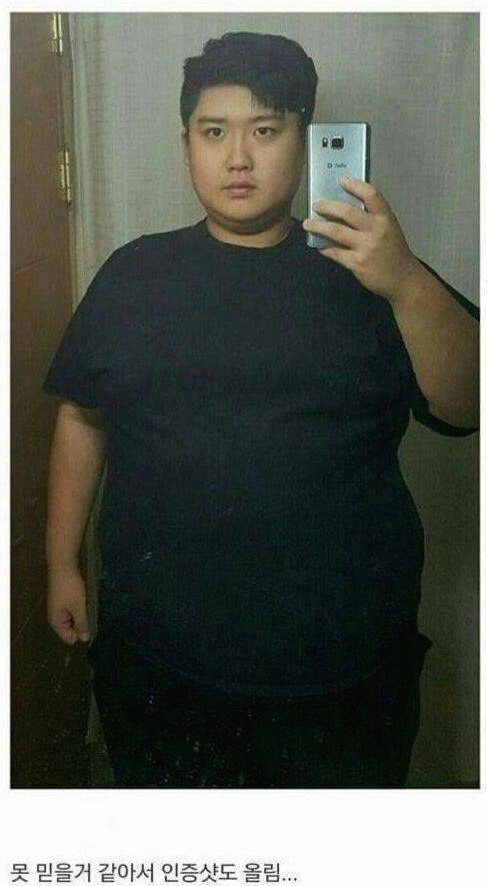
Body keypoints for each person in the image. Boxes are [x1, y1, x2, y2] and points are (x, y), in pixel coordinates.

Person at [43, 32, 479, 789]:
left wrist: (406, 280)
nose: (238, 158)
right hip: (160, 661)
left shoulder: (372, 268)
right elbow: (83, 418)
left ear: (304, 142)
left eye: (265, 131)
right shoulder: (133, 275)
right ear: (186, 147)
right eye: (214, 132)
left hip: (339, 675)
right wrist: (60, 565)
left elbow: (465, 404)